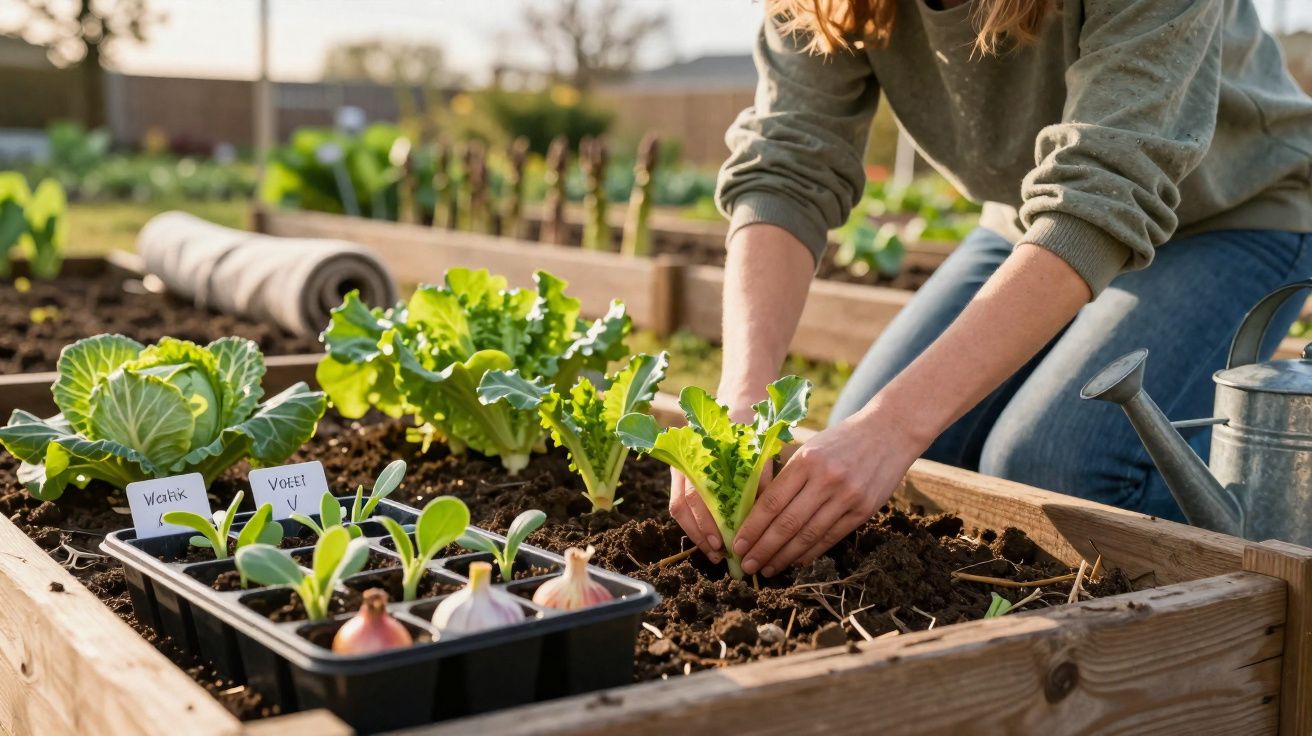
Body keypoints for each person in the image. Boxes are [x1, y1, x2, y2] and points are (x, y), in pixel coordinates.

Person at [669, 0, 1312, 579]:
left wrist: (893, 425)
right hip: (1028, 219)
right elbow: (788, 164)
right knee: (884, 469)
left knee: (1053, 471)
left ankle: (1284, 505)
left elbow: (1106, 190)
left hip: (1233, 212)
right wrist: (740, 398)